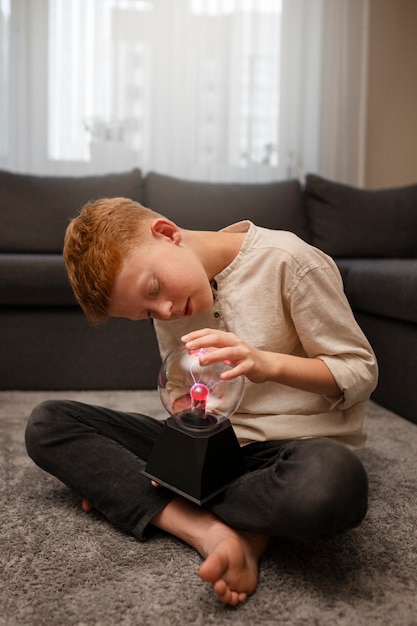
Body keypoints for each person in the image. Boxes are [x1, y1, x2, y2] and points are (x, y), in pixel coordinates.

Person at [25, 197, 378, 606]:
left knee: (331, 483)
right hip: (211, 447)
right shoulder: (169, 307)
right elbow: (181, 390)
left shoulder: (289, 261)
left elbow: (360, 372)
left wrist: (266, 364)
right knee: (48, 423)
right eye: (146, 314)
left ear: (168, 233)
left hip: (290, 451)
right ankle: (210, 530)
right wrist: (184, 416)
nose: (165, 311)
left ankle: (147, 496)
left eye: (154, 290)